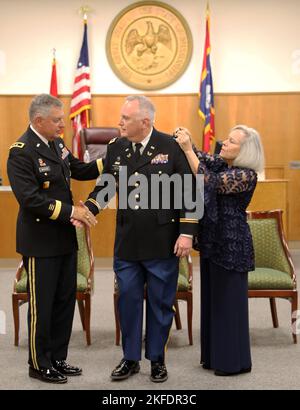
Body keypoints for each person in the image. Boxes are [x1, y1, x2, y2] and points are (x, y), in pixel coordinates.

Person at [85, 95, 198, 383]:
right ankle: (130, 358)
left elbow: (189, 192)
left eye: (125, 118)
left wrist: (187, 233)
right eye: (121, 117)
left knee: (161, 303)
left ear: (144, 122)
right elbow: (106, 185)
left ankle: (157, 359)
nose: (119, 122)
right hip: (127, 240)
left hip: (163, 239)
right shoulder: (117, 147)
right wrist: (88, 210)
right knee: (129, 301)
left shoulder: (170, 146)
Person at [7, 94, 100, 384]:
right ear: (38, 121)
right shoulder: (21, 152)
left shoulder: (57, 144)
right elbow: (31, 200)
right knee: (42, 305)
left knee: (63, 302)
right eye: (58, 120)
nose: (64, 124)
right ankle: (38, 363)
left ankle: (58, 358)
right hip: (40, 241)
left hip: (63, 238)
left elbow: (80, 169)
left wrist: (112, 158)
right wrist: (74, 211)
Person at [174, 125, 265, 376]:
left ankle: (232, 362)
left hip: (232, 244)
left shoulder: (245, 175)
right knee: (213, 301)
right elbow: (201, 157)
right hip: (213, 241)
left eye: (231, 141)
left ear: (244, 150)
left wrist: (188, 150)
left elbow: (209, 182)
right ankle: (214, 357)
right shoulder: (222, 164)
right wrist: (187, 140)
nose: (223, 143)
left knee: (228, 304)